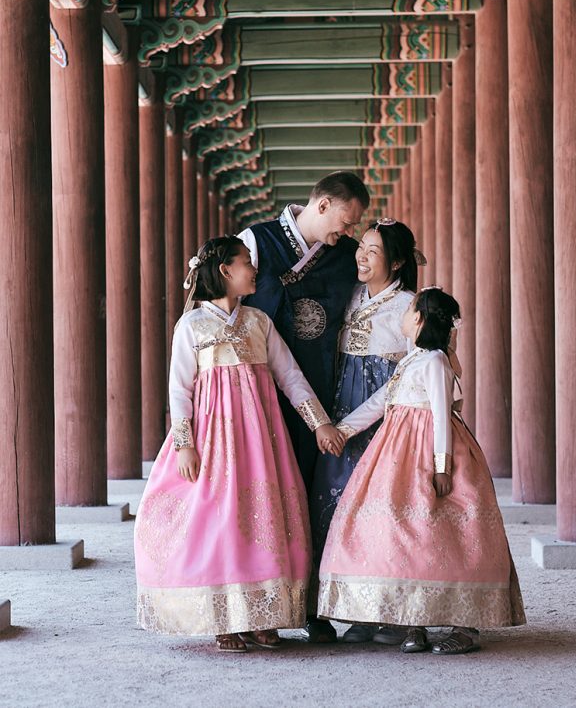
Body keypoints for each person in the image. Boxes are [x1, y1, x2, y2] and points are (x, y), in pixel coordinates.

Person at [134, 236, 345, 652]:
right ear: (226, 271)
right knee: (220, 521)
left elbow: (290, 378)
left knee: (262, 518)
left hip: (261, 440)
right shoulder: (192, 325)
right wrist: (184, 444)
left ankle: (263, 616)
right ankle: (225, 619)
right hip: (213, 439)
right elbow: (180, 389)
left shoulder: (259, 322)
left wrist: (319, 423)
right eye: (247, 262)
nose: (255, 270)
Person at [317, 287, 525, 654]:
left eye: (411, 307)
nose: (405, 311)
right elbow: (379, 403)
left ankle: (465, 626)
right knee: (405, 534)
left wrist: (442, 465)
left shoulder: (434, 361)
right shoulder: (411, 360)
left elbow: (443, 414)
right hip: (396, 451)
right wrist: (343, 429)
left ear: (419, 319)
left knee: (446, 534)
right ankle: (414, 618)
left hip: (428, 449)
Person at [239, 171, 369, 642]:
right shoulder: (256, 241)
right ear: (322, 204)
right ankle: (260, 606)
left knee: (313, 496)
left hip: (319, 392)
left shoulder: (343, 259)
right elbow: (222, 304)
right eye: (345, 220)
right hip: (255, 394)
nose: (348, 232)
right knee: (262, 496)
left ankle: (313, 604)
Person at [309, 218, 421, 645]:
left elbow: (404, 382)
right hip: (339, 411)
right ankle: (353, 610)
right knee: (334, 507)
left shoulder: (410, 306)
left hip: (383, 423)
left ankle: (390, 613)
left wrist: (349, 425)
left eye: (373, 251)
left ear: (395, 262)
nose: (362, 255)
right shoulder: (351, 295)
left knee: (383, 512)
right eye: (363, 247)